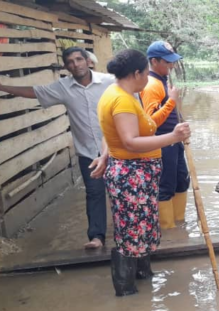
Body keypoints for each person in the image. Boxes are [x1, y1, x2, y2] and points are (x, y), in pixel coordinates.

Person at [97, 49, 191, 297]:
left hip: (138, 172)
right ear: (137, 73)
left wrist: (106, 154)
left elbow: (112, 135)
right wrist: (172, 137)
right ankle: (126, 290)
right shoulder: (122, 100)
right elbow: (129, 141)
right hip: (132, 174)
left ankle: (142, 275)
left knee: (141, 227)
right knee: (130, 231)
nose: (147, 80)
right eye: (145, 75)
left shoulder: (119, 93)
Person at [0, 47, 113, 250]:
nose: (75, 64)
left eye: (79, 59)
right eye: (70, 61)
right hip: (88, 152)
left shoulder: (109, 82)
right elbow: (34, 92)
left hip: (115, 150)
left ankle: (126, 233)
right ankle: (97, 237)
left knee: (120, 192)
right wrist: (2, 86)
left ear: (88, 61)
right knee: (94, 194)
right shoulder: (63, 87)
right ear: (66, 66)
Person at [140, 41, 189, 230]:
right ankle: (168, 229)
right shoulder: (152, 85)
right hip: (162, 142)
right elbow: (150, 123)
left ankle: (179, 223)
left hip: (174, 140)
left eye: (172, 61)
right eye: (168, 62)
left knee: (181, 180)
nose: (172, 65)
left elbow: (170, 111)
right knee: (165, 185)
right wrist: (171, 101)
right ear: (154, 61)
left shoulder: (162, 80)